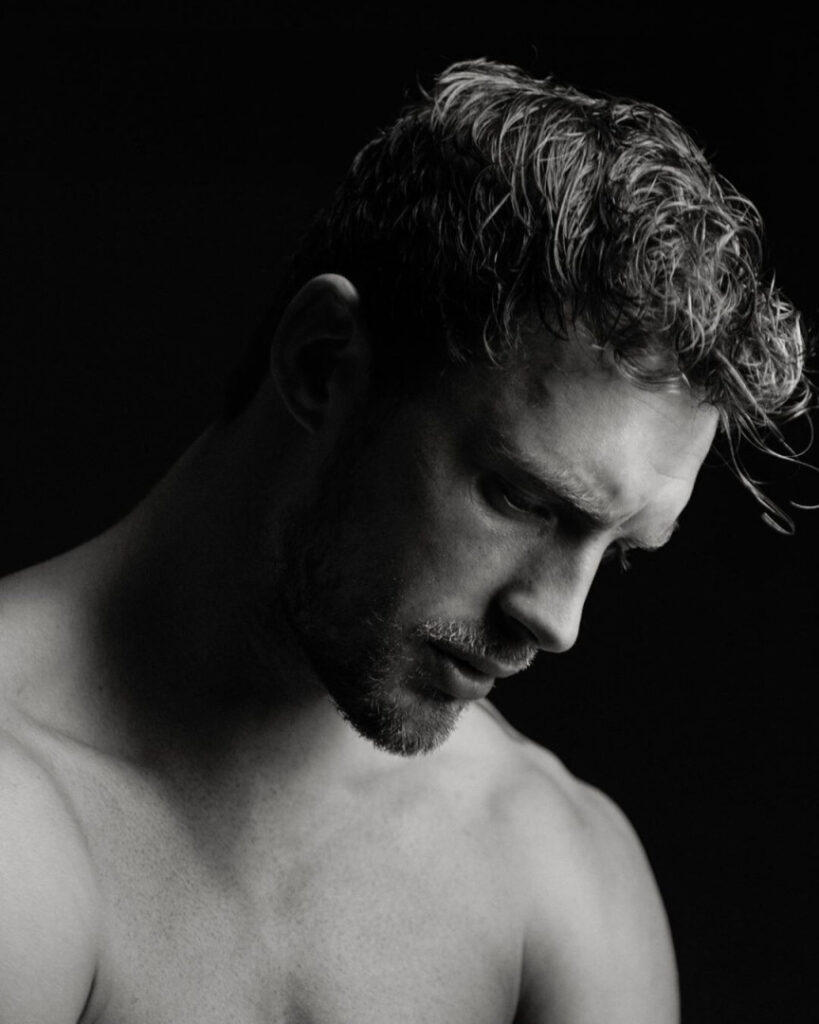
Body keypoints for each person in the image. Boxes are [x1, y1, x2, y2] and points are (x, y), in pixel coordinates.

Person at [0, 59, 810, 1024]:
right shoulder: (21, 815)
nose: (556, 622)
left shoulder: (556, 876)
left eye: (622, 548)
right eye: (520, 497)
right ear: (323, 364)